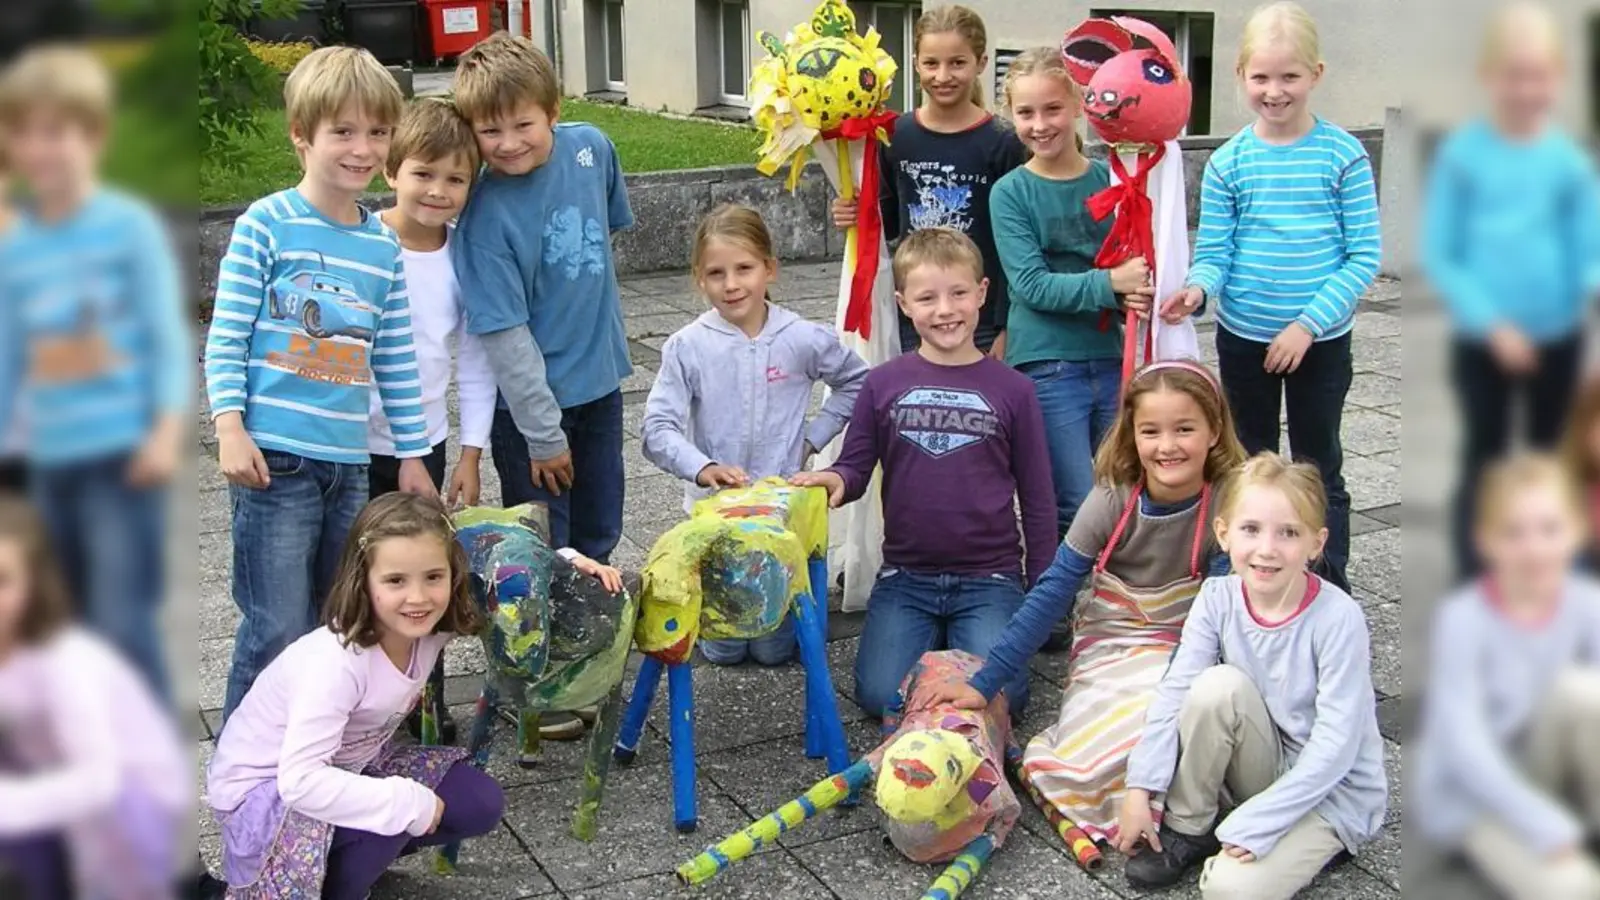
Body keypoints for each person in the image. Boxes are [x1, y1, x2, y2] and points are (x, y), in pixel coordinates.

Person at [203, 46, 438, 724]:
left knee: (338, 624)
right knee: (274, 626)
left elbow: (393, 355)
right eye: (343, 131)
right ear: (301, 137)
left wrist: (413, 454)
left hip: (349, 465)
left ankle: (314, 754)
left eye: (377, 132)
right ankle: (244, 772)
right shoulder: (266, 224)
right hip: (273, 462)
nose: (363, 149)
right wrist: (228, 425)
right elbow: (227, 335)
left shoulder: (382, 246)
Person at [919, 360, 1245, 846]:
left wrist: (1179, 681)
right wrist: (986, 681)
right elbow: (1053, 589)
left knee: (1173, 710)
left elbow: (1221, 611)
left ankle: (1175, 812)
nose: (1167, 445)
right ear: (1131, 434)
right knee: (1096, 745)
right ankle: (1145, 804)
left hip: (1189, 641)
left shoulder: (1227, 501)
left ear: (1215, 431)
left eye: (1185, 429)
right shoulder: (1113, 498)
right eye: (1150, 431)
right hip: (1111, 642)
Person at [1160, 1, 1381, 595]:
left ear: (1316, 75)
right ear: (1240, 76)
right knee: (1246, 463)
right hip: (1244, 340)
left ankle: (1328, 583)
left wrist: (1307, 325)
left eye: (1289, 76)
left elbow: (1364, 257)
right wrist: (1199, 287)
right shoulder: (1230, 161)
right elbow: (1217, 249)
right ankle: (1246, 576)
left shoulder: (1343, 156)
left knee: (1318, 465)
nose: (1275, 91)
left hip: (1319, 343)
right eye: (1261, 77)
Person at [450, 32, 635, 738]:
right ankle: (541, 679)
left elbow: (604, 244)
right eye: (488, 130)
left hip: (600, 390)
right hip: (534, 414)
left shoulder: (593, 148)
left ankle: (587, 654)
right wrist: (542, 433)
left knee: (600, 529)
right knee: (541, 548)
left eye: (523, 123)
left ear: (553, 110)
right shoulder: (484, 216)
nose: (507, 142)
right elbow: (504, 336)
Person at [791, 227, 1055, 721]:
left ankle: (949, 652)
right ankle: (942, 651)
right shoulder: (884, 382)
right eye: (927, 297)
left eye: (958, 293)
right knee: (878, 695)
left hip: (990, 577)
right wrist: (833, 481)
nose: (945, 310)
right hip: (907, 577)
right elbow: (855, 465)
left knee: (1009, 697)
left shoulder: (1015, 389)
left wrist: (1041, 589)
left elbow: (1039, 499)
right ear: (903, 304)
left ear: (982, 293)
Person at [0, 44, 190, 700]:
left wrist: (165, 432)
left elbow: (167, 337)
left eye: (57, 132)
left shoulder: (126, 227)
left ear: (95, 136)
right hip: (51, 461)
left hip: (122, 459)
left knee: (123, 618)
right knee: (62, 620)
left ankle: (142, 764)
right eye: (23, 133)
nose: (40, 150)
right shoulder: (18, 244)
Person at [1116, 452, 1386, 898]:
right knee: (1214, 688)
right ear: (1223, 534)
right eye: (1251, 529)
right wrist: (1139, 788)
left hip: (1332, 793)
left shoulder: (1339, 618)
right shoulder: (1217, 596)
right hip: (1268, 763)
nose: (1267, 549)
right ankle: (1190, 826)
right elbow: (1175, 692)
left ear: (1316, 544)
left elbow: (1337, 746)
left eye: (1289, 533)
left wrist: (1257, 822)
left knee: (1229, 889)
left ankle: (1314, 841)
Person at [206, 494, 503, 897]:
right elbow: (300, 782)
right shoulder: (337, 663)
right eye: (396, 580)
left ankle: (348, 858)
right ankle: (335, 880)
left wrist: (573, 563)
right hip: (266, 791)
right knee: (389, 817)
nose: (418, 597)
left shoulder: (430, 625)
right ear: (363, 580)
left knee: (478, 802)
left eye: (433, 577)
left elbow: (506, 559)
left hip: (347, 762)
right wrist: (405, 803)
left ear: (453, 574)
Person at [643, 203, 868, 665]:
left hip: (780, 513)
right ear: (698, 279)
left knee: (772, 649)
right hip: (714, 514)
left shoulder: (801, 336)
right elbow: (656, 428)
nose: (731, 285)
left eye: (744, 268)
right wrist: (702, 467)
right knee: (723, 648)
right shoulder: (688, 346)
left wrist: (811, 439)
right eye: (716, 273)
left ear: (770, 269)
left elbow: (858, 381)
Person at [1422, 0, 1600, 581]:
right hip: (1485, 340)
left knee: (1556, 461)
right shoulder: (1464, 158)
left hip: (1558, 337)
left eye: (1539, 75)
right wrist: (1494, 324)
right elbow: (1444, 255)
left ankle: (1557, 577)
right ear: (1489, 77)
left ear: (1557, 80)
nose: (1526, 88)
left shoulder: (1568, 162)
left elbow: (1589, 251)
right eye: (1513, 75)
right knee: (1486, 461)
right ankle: (1476, 579)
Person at [368, 97, 497, 744]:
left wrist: (473, 452)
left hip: (425, 448)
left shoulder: (462, 260)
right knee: (363, 583)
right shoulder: (361, 243)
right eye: (424, 173)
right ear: (391, 168)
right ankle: (366, 714)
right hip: (348, 449)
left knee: (425, 580)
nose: (438, 191)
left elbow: (475, 359)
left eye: (455, 178)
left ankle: (426, 708)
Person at [1414, 452, 1600, 900]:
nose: (1534, 547)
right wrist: (1544, 824)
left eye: (1549, 529)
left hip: (1546, 767)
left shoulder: (1586, 602)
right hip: (1474, 792)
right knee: (1574, 887)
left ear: (1576, 532)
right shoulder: (1465, 619)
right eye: (1514, 533)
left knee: (1585, 692)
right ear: (1485, 541)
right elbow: (1467, 746)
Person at [0, 497, 190, 900]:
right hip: (47, 779)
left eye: (3, 579)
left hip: (125, 813)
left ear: (33, 583)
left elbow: (101, 780)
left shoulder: (68, 660)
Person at [830, 4, 1026, 356]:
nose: (943, 75)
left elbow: (1015, 244)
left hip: (980, 320)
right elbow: (887, 223)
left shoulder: (1003, 142)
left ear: (981, 63)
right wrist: (854, 211)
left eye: (957, 63)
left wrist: (1006, 326)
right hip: (915, 315)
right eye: (931, 63)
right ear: (916, 62)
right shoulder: (894, 135)